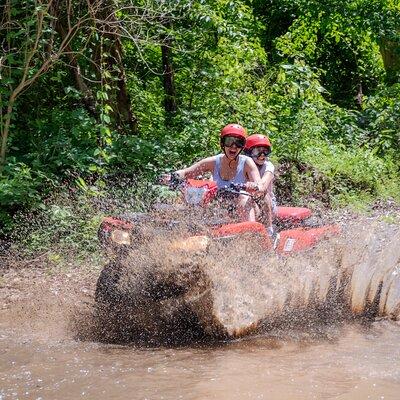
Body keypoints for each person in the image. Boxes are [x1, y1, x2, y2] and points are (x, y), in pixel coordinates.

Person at [164, 123, 261, 221]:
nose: (234, 146)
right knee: (199, 200)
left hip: (244, 205)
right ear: (222, 143)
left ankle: (250, 233)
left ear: (242, 146)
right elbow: (187, 172)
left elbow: (259, 184)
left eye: (238, 142)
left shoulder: (247, 162)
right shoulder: (213, 162)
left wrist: (253, 186)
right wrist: (174, 176)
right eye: (229, 141)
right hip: (220, 207)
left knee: (244, 197)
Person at [243, 133, 276, 234]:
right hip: (246, 198)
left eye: (265, 152)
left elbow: (263, 184)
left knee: (263, 193)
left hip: (267, 203)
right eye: (257, 151)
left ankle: (269, 230)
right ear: (249, 153)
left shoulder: (268, 166)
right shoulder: (242, 164)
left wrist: (255, 186)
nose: (262, 156)